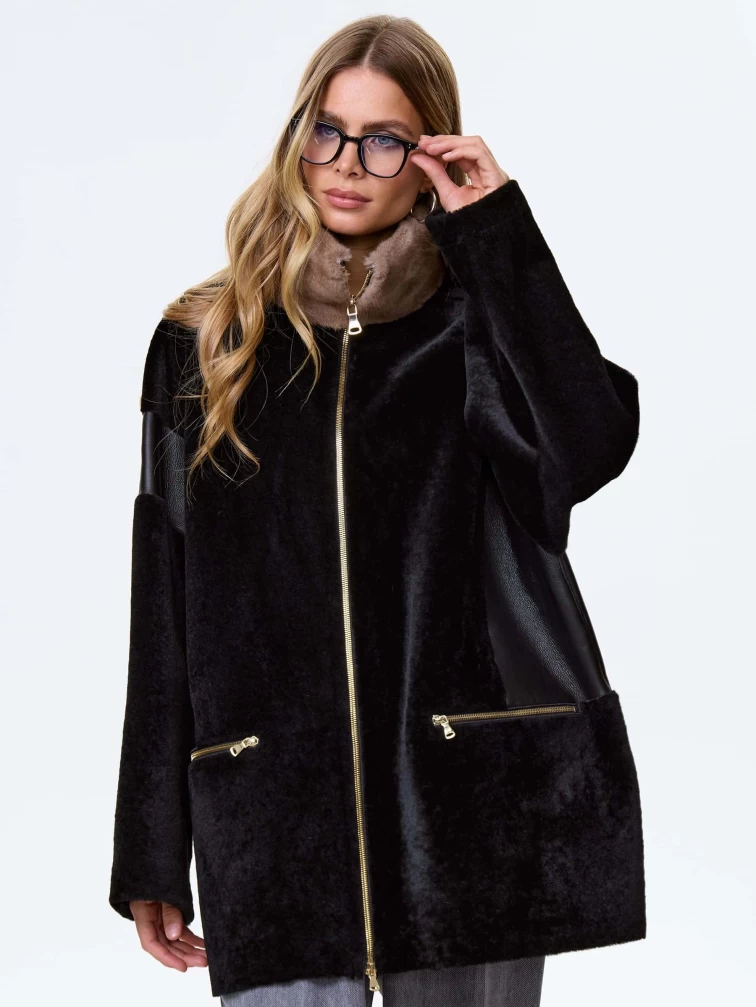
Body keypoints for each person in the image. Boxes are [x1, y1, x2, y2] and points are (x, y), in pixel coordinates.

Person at [109, 14, 646, 1007]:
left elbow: (591, 444)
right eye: (329, 131)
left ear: (430, 154)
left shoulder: (474, 327)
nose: (348, 164)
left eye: (385, 139)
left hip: (466, 823)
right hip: (275, 827)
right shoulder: (206, 339)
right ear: (297, 137)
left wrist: (498, 234)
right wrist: (150, 841)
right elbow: (167, 592)